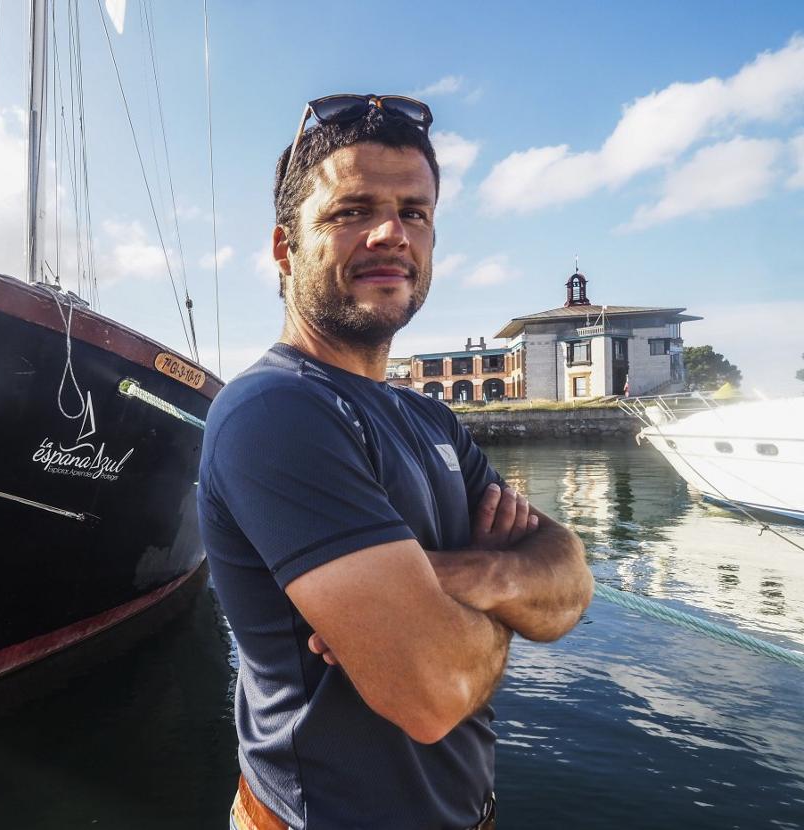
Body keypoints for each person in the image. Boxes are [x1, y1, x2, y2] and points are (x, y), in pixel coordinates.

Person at [196, 94, 594, 830]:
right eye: (351, 211)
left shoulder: (428, 414)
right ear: (285, 248)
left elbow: (571, 583)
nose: (390, 233)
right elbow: (433, 690)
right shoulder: (275, 413)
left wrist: (463, 575)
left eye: (415, 212)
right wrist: (507, 602)